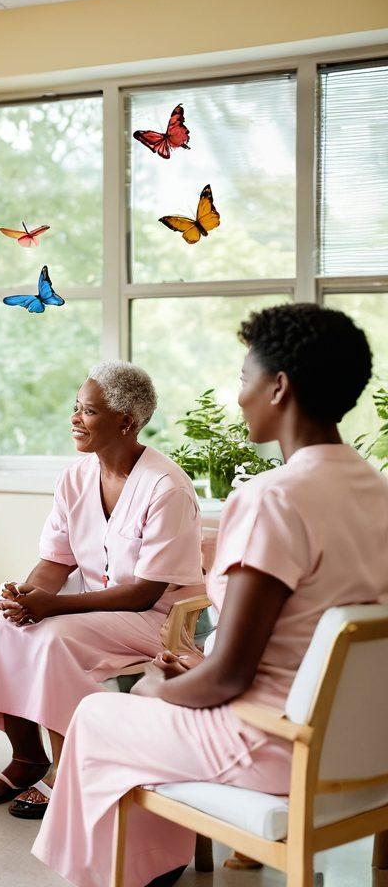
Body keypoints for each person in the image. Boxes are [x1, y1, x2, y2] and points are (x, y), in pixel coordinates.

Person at [32, 303, 388, 887]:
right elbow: (307, 641)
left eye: (245, 378)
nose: (240, 396)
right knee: (146, 703)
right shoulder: (376, 492)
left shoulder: (274, 499)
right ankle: (148, 869)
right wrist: (198, 670)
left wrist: (161, 687)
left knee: (101, 713)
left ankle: (122, 877)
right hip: (367, 743)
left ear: (279, 387)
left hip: (276, 745)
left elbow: (229, 677)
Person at [0, 361, 204, 820]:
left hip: (155, 619)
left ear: (126, 422)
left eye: (88, 411)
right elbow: (55, 562)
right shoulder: (75, 478)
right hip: (93, 609)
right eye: (76, 407)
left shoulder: (167, 487)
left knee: (55, 639)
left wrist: (53, 607)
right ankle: (26, 756)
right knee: (2, 627)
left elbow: (144, 593)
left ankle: (68, 770)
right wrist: (24, 597)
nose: (74, 418)